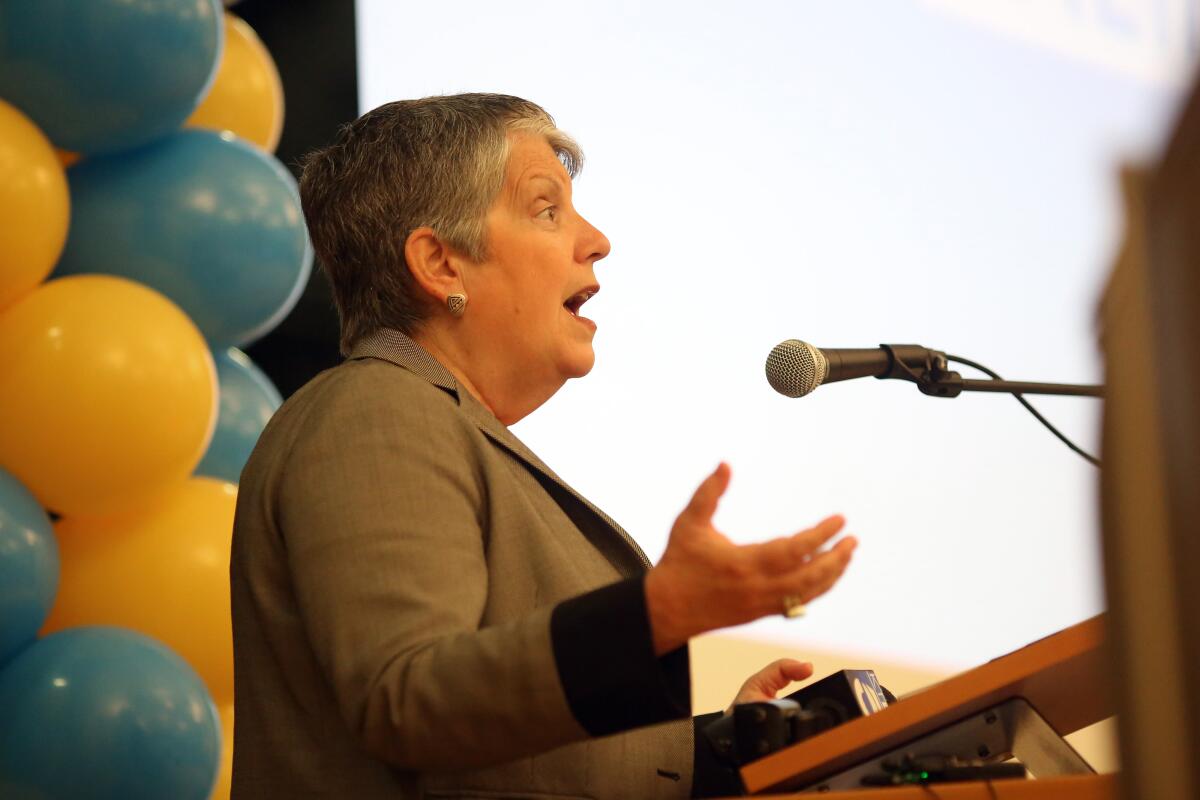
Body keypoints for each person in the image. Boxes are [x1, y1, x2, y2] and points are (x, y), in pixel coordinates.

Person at [229, 93, 857, 799]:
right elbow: (406, 700)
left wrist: (719, 749)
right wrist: (656, 614)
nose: (596, 239)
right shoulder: (374, 411)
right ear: (441, 264)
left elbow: (514, 755)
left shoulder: (443, 427)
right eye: (547, 209)